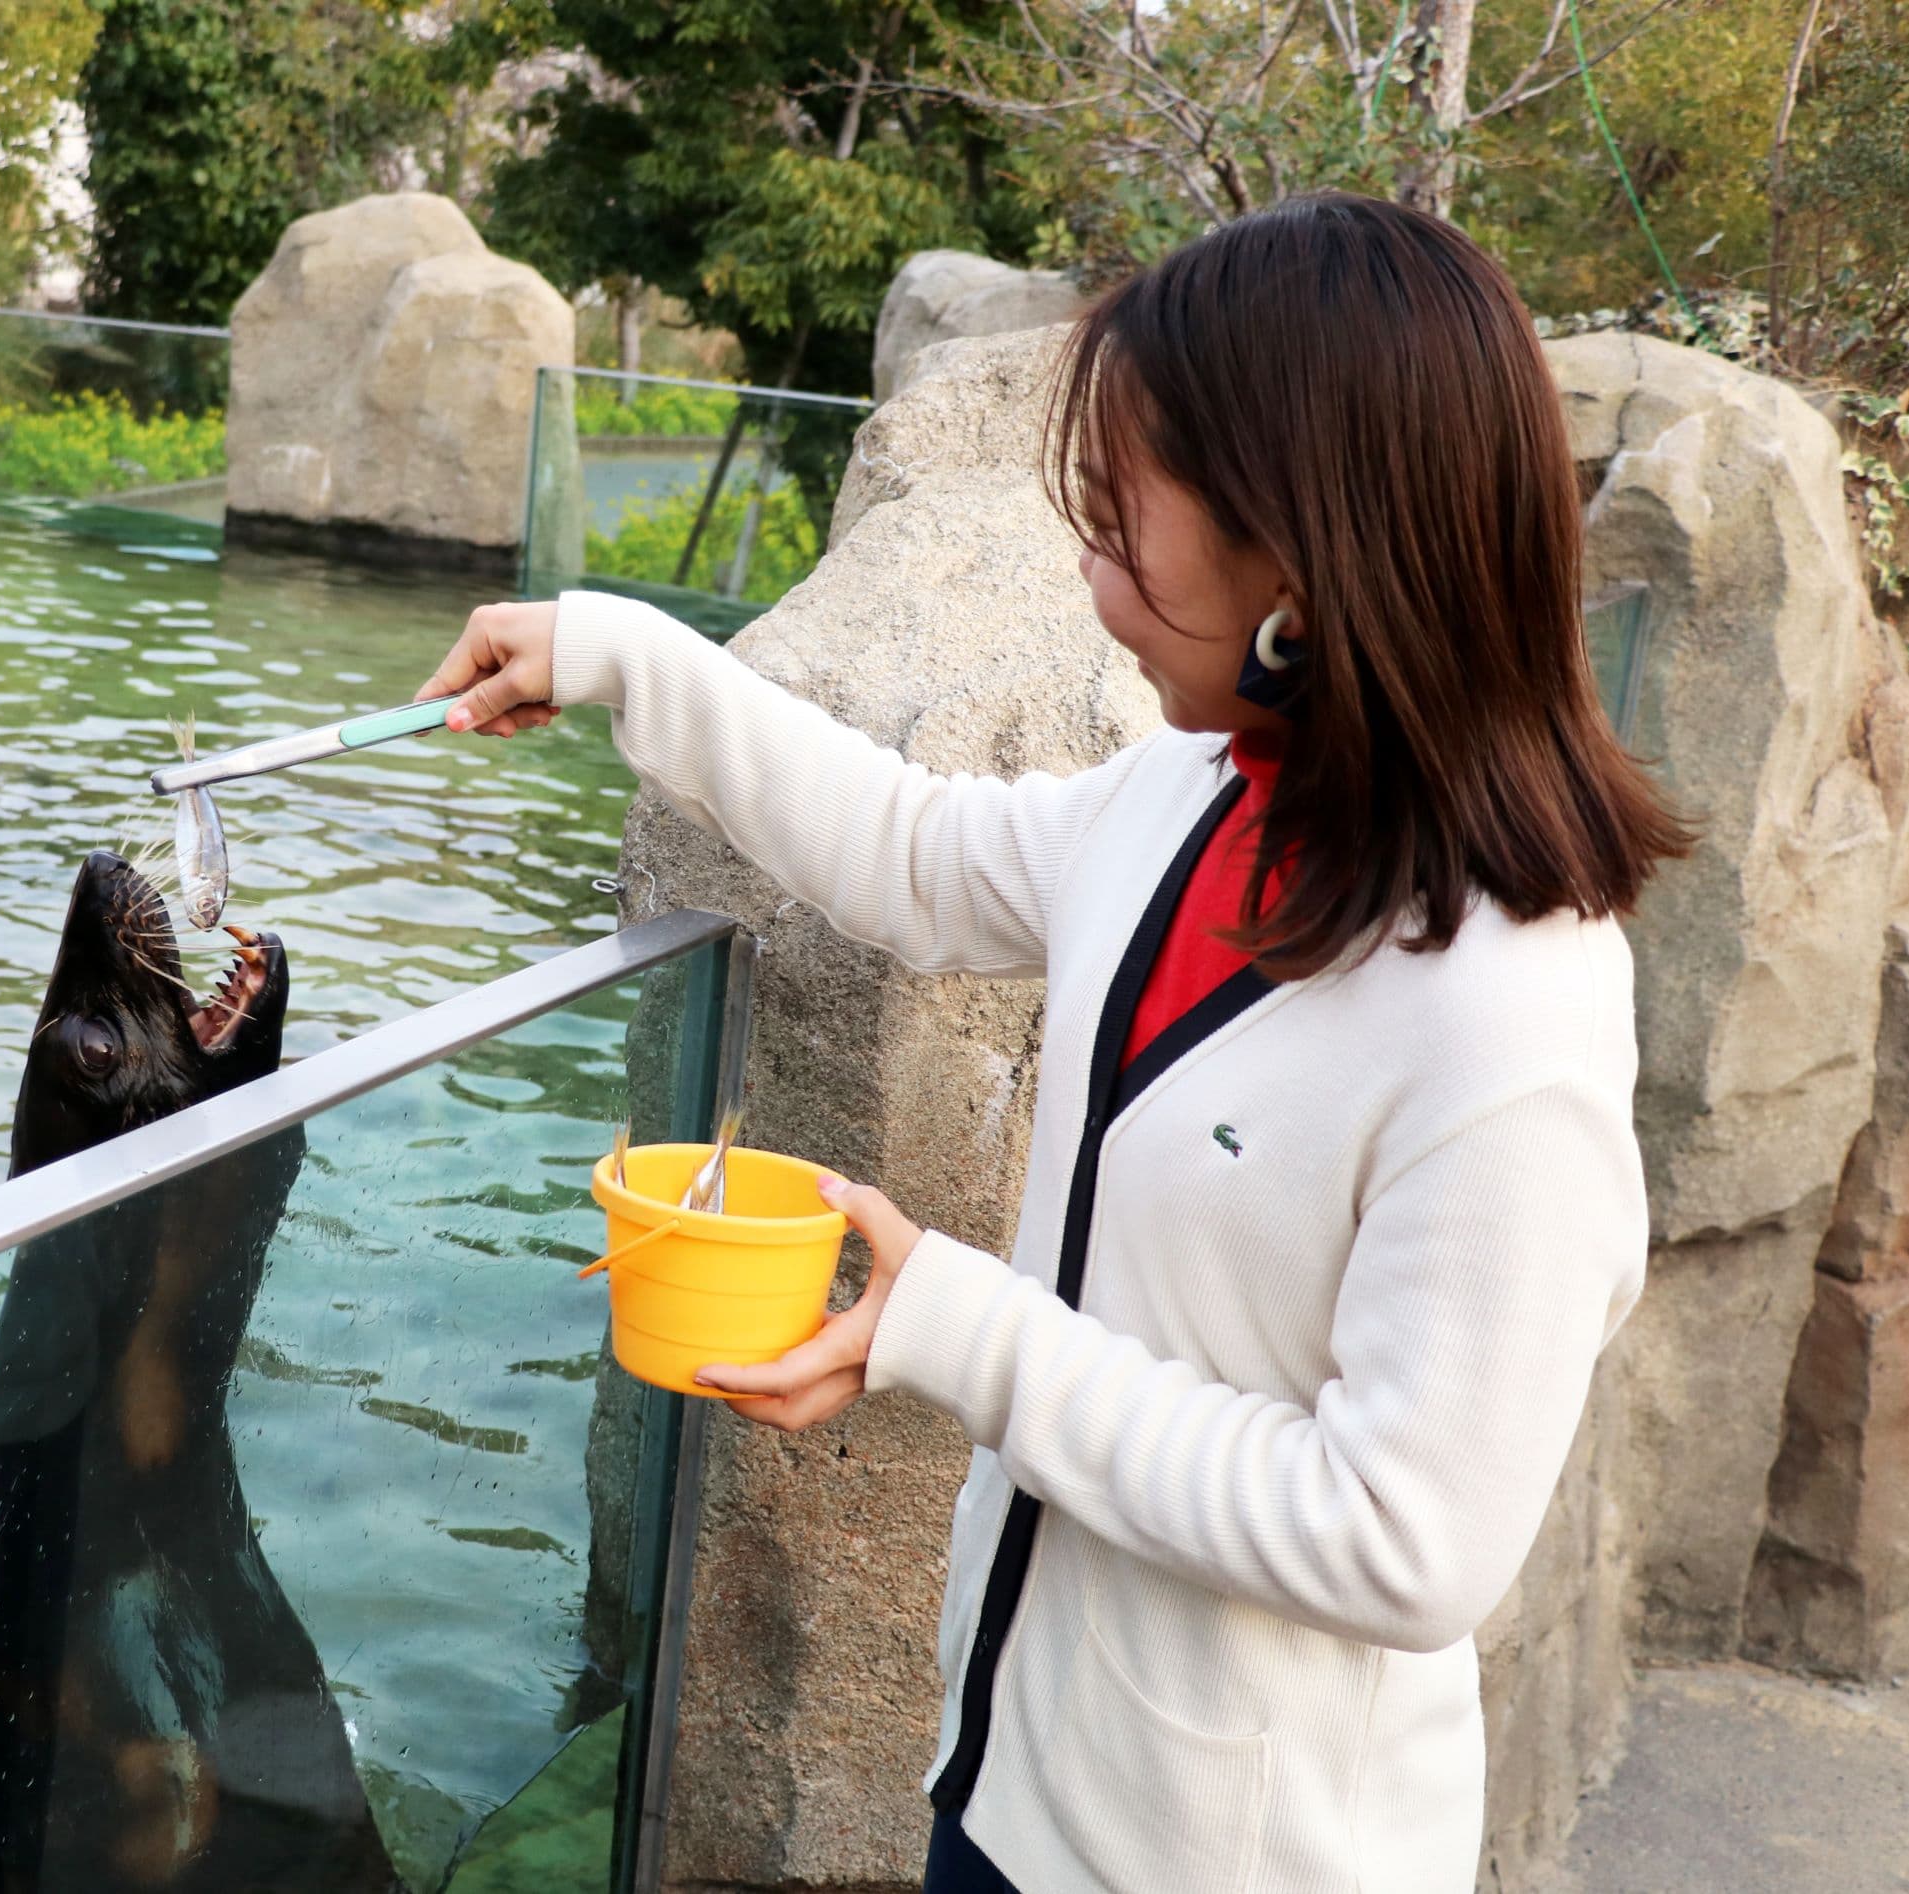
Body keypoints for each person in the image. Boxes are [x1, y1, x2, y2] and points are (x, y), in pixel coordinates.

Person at [416, 192, 1687, 1894]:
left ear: (1304, 559)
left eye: (1126, 525)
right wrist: (625, 656)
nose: (1092, 581)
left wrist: (957, 1327)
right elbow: (918, 856)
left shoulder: (1505, 1002)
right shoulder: (1193, 794)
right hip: (1012, 1781)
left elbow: (1405, 1539)